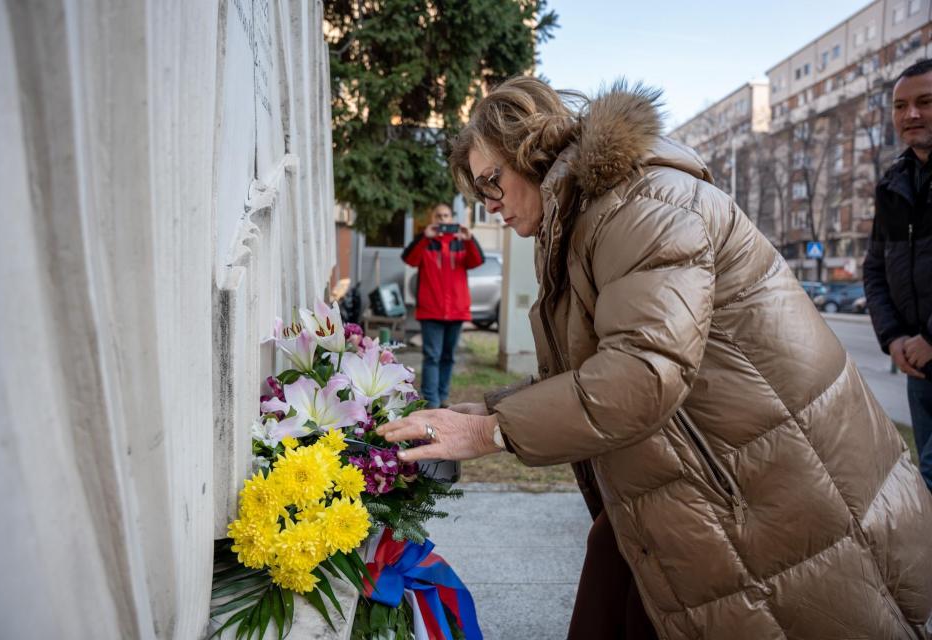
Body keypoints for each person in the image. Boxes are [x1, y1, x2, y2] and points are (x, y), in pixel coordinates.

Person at [379, 76, 932, 639]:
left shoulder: (644, 204)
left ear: (528, 149)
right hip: (703, 476)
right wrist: (492, 411)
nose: (490, 203)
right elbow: (599, 368)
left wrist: (491, 433)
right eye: (479, 193)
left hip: (770, 482)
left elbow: (642, 374)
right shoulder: (585, 217)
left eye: (491, 181)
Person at [864, 58, 932, 494]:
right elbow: (874, 269)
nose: (912, 114)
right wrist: (893, 338)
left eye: (926, 102)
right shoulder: (893, 185)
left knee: (927, 485)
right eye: (901, 106)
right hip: (919, 368)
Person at [402, 203, 485, 408]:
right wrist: (424, 237)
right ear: (433, 219)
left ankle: (443, 396)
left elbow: (477, 261)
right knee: (432, 356)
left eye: (446, 216)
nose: (442, 219)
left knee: (448, 357)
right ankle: (432, 400)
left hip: (456, 311)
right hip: (431, 311)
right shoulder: (426, 242)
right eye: (438, 216)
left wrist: (470, 239)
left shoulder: (461, 242)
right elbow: (409, 259)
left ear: (451, 219)